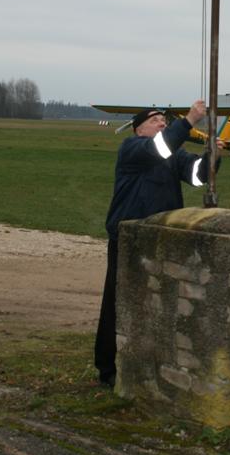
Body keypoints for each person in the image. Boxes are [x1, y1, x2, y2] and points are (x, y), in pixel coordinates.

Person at [94, 101, 220, 387]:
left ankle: (151, 365)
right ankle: (108, 368)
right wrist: (188, 122)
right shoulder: (133, 149)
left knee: (158, 304)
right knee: (118, 303)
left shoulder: (171, 155)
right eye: (156, 121)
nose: (162, 124)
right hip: (128, 240)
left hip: (162, 240)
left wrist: (212, 155)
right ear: (139, 129)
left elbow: (198, 176)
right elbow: (160, 148)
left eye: (165, 121)